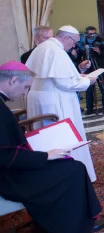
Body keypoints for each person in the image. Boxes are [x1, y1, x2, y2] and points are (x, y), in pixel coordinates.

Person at [0, 61, 104, 233]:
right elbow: (5, 156)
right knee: (73, 169)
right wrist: (45, 155)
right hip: (10, 177)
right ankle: (74, 229)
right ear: (13, 80)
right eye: (25, 87)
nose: (24, 93)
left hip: (12, 168)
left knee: (67, 164)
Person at [25, 26, 98, 182]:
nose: (74, 46)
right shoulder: (55, 51)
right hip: (54, 101)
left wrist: (78, 75)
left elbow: (58, 76)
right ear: (66, 38)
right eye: (74, 42)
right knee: (62, 137)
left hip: (40, 98)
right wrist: (87, 81)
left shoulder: (43, 48)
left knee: (43, 137)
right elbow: (64, 83)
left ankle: (47, 172)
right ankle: (67, 174)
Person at [78, 26, 104, 115]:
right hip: (88, 68)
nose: (92, 36)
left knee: (103, 87)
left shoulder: (100, 41)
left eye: (94, 34)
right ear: (86, 34)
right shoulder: (83, 43)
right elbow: (79, 55)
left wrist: (99, 51)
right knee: (89, 89)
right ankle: (89, 109)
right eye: (90, 34)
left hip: (99, 67)